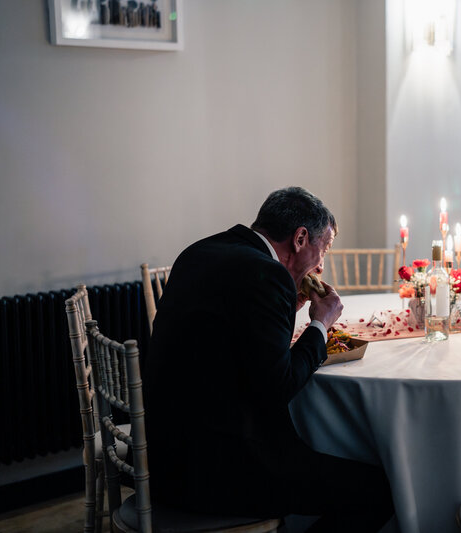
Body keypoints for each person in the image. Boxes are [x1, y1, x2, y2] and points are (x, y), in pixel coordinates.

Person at [143, 187, 394, 532]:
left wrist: (286, 307)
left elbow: (235, 340)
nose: (321, 264)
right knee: (377, 490)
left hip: (161, 457)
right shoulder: (268, 276)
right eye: (324, 249)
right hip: (218, 470)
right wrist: (320, 324)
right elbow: (279, 386)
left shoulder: (200, 251)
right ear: (300, 239)